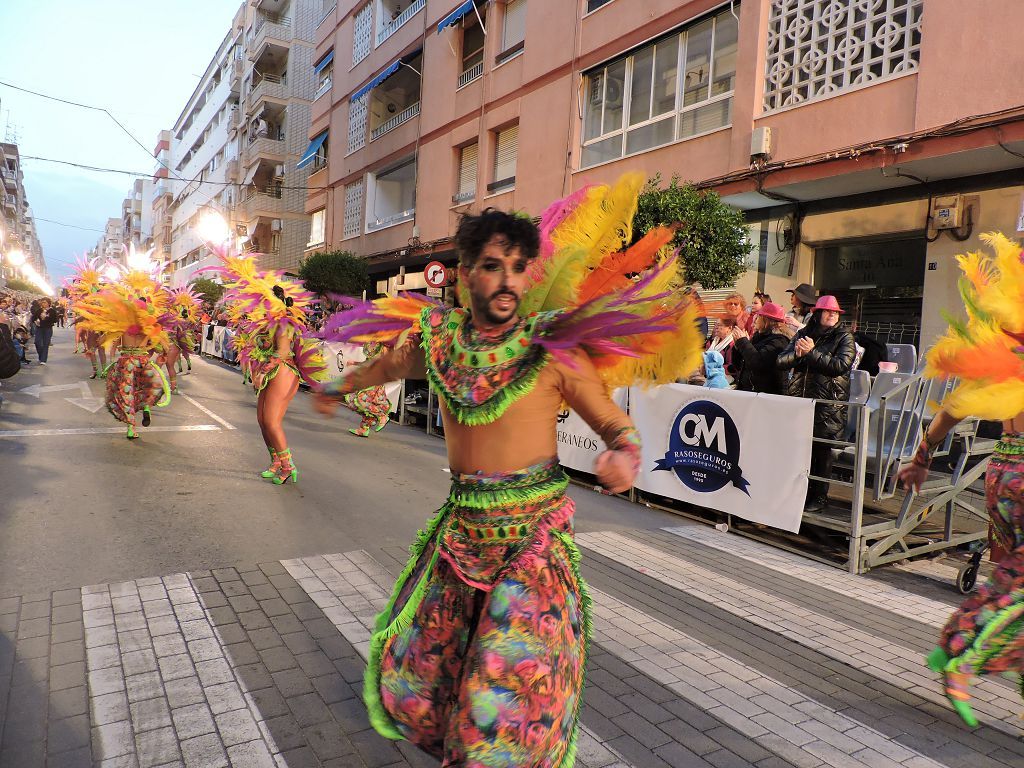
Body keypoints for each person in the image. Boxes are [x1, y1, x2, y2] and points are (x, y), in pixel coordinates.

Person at [314, 179, 702, 766]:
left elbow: (611, 421)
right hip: (461, 534)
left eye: (519, 268)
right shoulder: (439, 341)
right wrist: (337, 385)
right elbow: (383, 365)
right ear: (466, 272)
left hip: (533, 543)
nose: (508, 280)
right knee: (435, 679)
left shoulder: (551, 349)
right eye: (493, 266)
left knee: (499, 699)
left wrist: (624, 453)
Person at [896, 232, 1024, 728]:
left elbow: (952, 409)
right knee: (1018, 584)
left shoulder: (1004, 357)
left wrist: (922, 458)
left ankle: (971, 650)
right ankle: (962, 657)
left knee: (1011, 576)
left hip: (1002, 472)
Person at [777, 295, 855, 512]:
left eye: (835, 312)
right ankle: (797, 494)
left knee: (822, 452)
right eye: (828, 311)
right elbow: (781, 361)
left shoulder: (844, 336)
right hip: (800, 401)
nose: (832, 315)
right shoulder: (803, 333)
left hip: (828, 403)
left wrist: (812, 353)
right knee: (799, 450)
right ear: (817, 313)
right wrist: (798, 354)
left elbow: (841, 365)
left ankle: (819, 497)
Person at [731, 301, 792, 395]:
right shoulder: (757, 337)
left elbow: (758, 363)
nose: (755, 319)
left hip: (767, 395)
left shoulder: (780, 341)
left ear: (766, 320)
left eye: (759, 316)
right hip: (749, 392)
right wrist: (737, 346)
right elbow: (740, 365)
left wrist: (743, 342)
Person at [340, 341, 392, 437]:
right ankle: (363, 429)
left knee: (360, 400)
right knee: (368, 402)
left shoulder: (383, 346)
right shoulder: (370, 343)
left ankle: (382, 416)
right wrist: (355, 363)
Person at [31, 297, 59, 365]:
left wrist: (47, 318)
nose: (43, 304)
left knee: (46, 344)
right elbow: (33, 318)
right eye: (42, 302)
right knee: (37, 342)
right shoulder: (39, 310)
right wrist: (36, 321)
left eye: (45, 302)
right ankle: (41, 355)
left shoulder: (52, 311)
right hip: (39, 328)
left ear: (48, 303)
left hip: (48, 328)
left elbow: (55, 320)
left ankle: (43, 359)